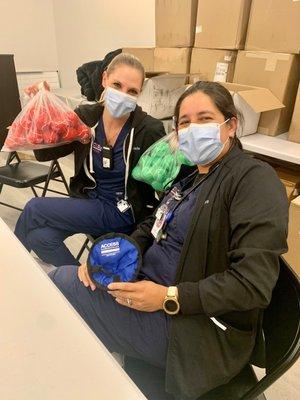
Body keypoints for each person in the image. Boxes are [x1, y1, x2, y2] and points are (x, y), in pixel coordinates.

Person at [48, 81, 288, 399]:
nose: (192, 129)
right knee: (77, 279)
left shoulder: (253, 180)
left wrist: (167, 297)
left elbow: (252, 284)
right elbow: (153, 223)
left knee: (62, 283)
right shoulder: (192, 175)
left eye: (205, 119)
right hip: (151, 286)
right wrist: (117, 253)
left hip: (194, 328)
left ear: (230, 125)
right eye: (184, 122)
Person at [14, 53, 166, 267]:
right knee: (41, 239)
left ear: (139, 93)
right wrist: (44, 107)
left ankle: (8, 267)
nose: (123, 95)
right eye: (117, 85)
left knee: (35, 208)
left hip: (122, 211)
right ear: (104, 79)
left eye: (132, 91)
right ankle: (82, 284)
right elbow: (47, 151)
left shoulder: (148, 129)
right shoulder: (86, 118)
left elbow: (165, 185)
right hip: (89, 201)